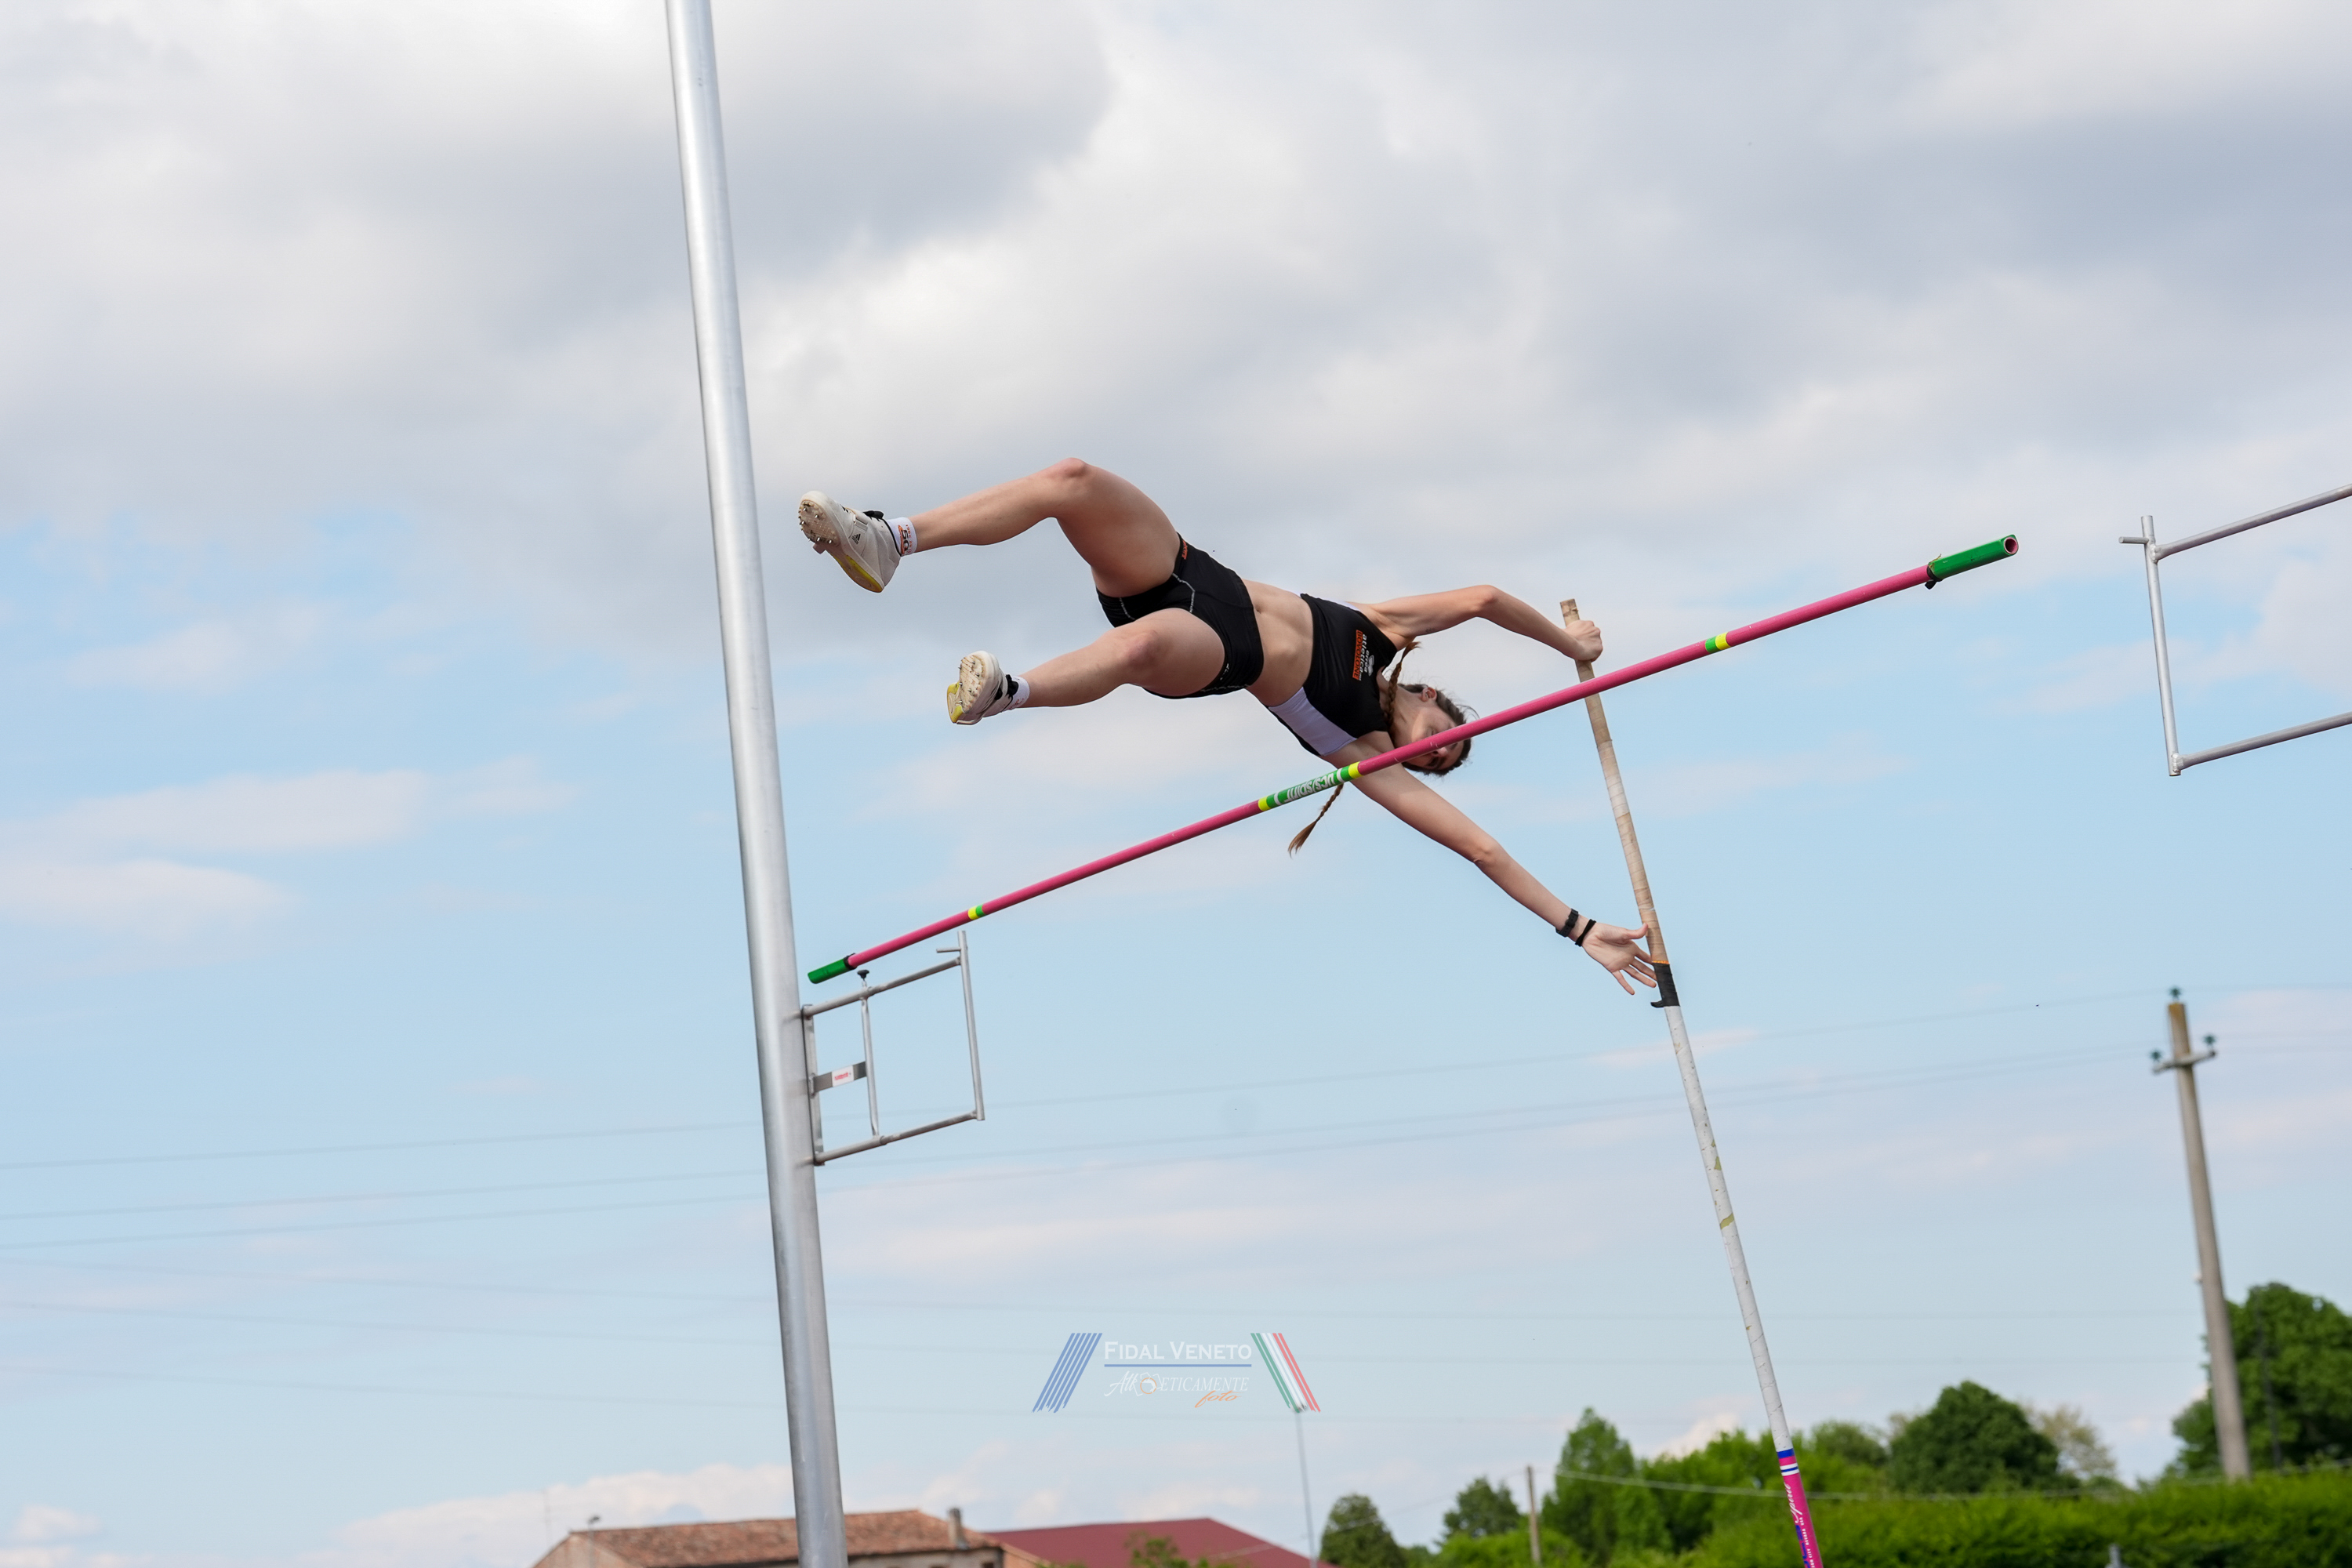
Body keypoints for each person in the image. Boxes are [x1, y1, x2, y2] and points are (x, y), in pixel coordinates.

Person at [797, 459, 1657, 993]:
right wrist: (1570, 645)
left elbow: (1482, 849)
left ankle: (1009, 692)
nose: (1430, 749)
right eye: (1446, 735)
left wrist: (1578, 928)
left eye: (1433, 763)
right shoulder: (1386, 628)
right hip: (1188, 571)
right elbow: (1485, 598)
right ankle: (889, 540)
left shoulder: (1359, 749)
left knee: (1142, 646)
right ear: (1430, 691)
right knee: (1073, 481)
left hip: (1213, 650)